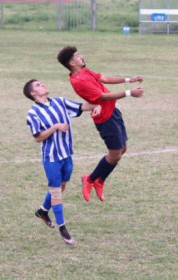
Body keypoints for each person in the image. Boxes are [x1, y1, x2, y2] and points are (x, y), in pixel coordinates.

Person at [57, 46, 144, 202]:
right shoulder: (79, 81)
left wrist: (127, 80)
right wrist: (129, 92)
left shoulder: (84, 71)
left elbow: (103, 78)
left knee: (122, 149)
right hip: (105, 118)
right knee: (115, 154)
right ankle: (90, 180)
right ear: (72, 63)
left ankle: (98, 180)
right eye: (77, 56)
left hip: (113, 111)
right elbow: (103, 97)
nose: (81, 56)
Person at [24, 79, 101, 245]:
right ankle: (62, 228)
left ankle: (43, 211)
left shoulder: (60, 102)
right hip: (51, 158)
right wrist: (55, 127)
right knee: (56, 191)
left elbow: (81, 107)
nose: (42, 84)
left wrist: (97, 104)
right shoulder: (33, 114)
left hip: (67, 155)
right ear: (33, 94)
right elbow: (38, 138)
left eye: (41, 83)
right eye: (38, 85)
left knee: (62, 186)